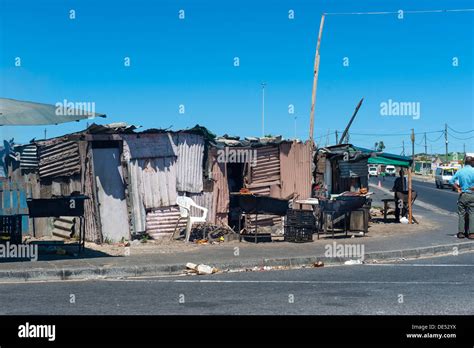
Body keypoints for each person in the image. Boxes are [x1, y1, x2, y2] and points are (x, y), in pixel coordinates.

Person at [449, 156, 474, 239]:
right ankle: (471, 233)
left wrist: (458, 188)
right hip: (472, 194)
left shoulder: (460, 171)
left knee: (461, 214)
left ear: (465, 163)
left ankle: (461, 233)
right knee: (472, 213)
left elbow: (451, 181)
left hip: (463, 194)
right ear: (471, 162)